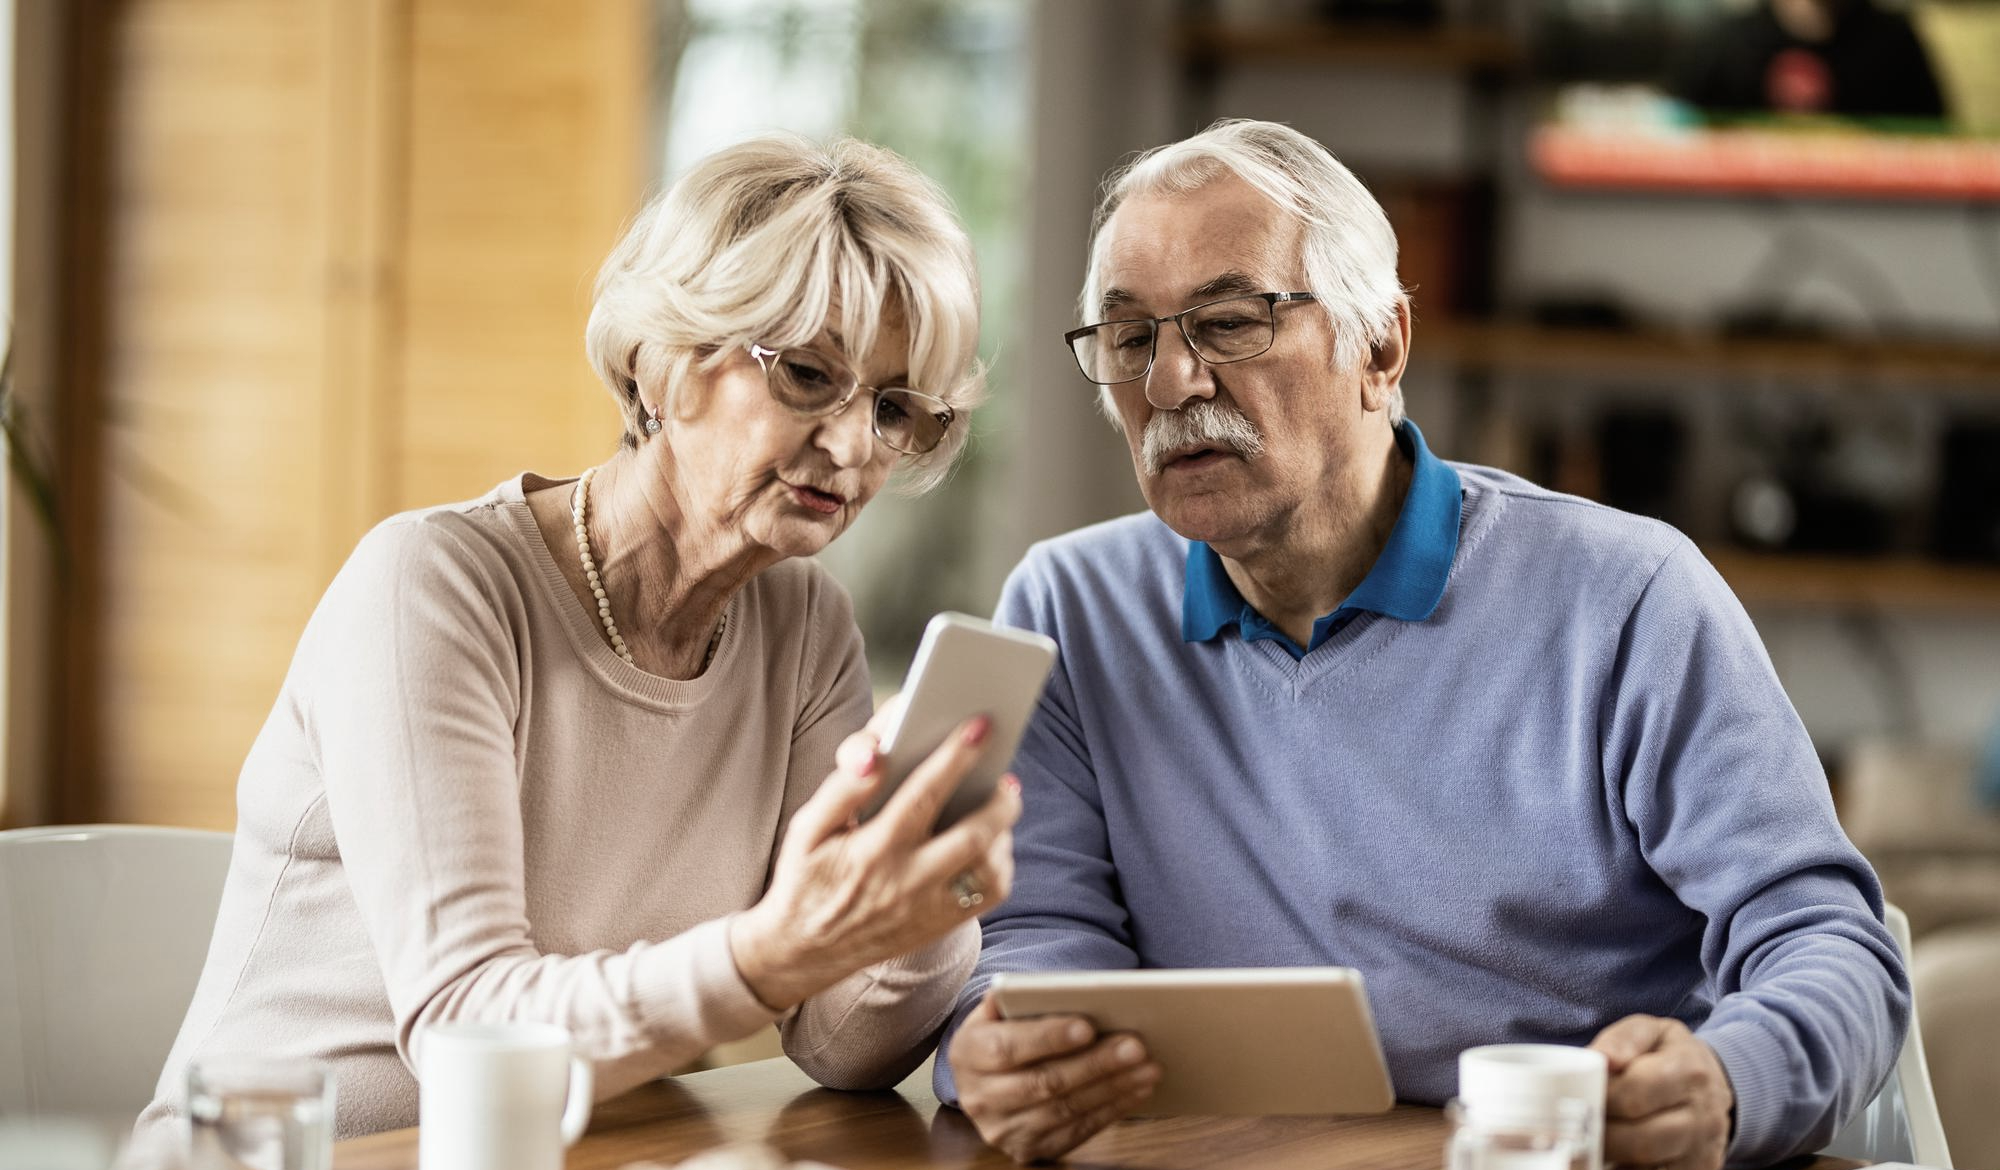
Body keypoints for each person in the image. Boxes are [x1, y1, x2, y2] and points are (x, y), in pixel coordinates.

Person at [935, 119, 1908, 1170]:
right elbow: (1030, 938)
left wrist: (1723, 1084)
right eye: (1131, 340)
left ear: (1381, 348)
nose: (1170, 384)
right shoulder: (1067, 608)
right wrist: (993, 1043)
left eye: (1226, 323)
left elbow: (1829, 946)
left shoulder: (1627, 598)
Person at [131, 134, 1019, 1150]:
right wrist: (764, 958)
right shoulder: (430, 587)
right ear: (661, 361)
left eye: (894, 406)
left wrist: (930, 882)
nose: (854, 446)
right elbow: (464, 1020)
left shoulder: (804, 627)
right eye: (810, 376)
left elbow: (842, 1043)